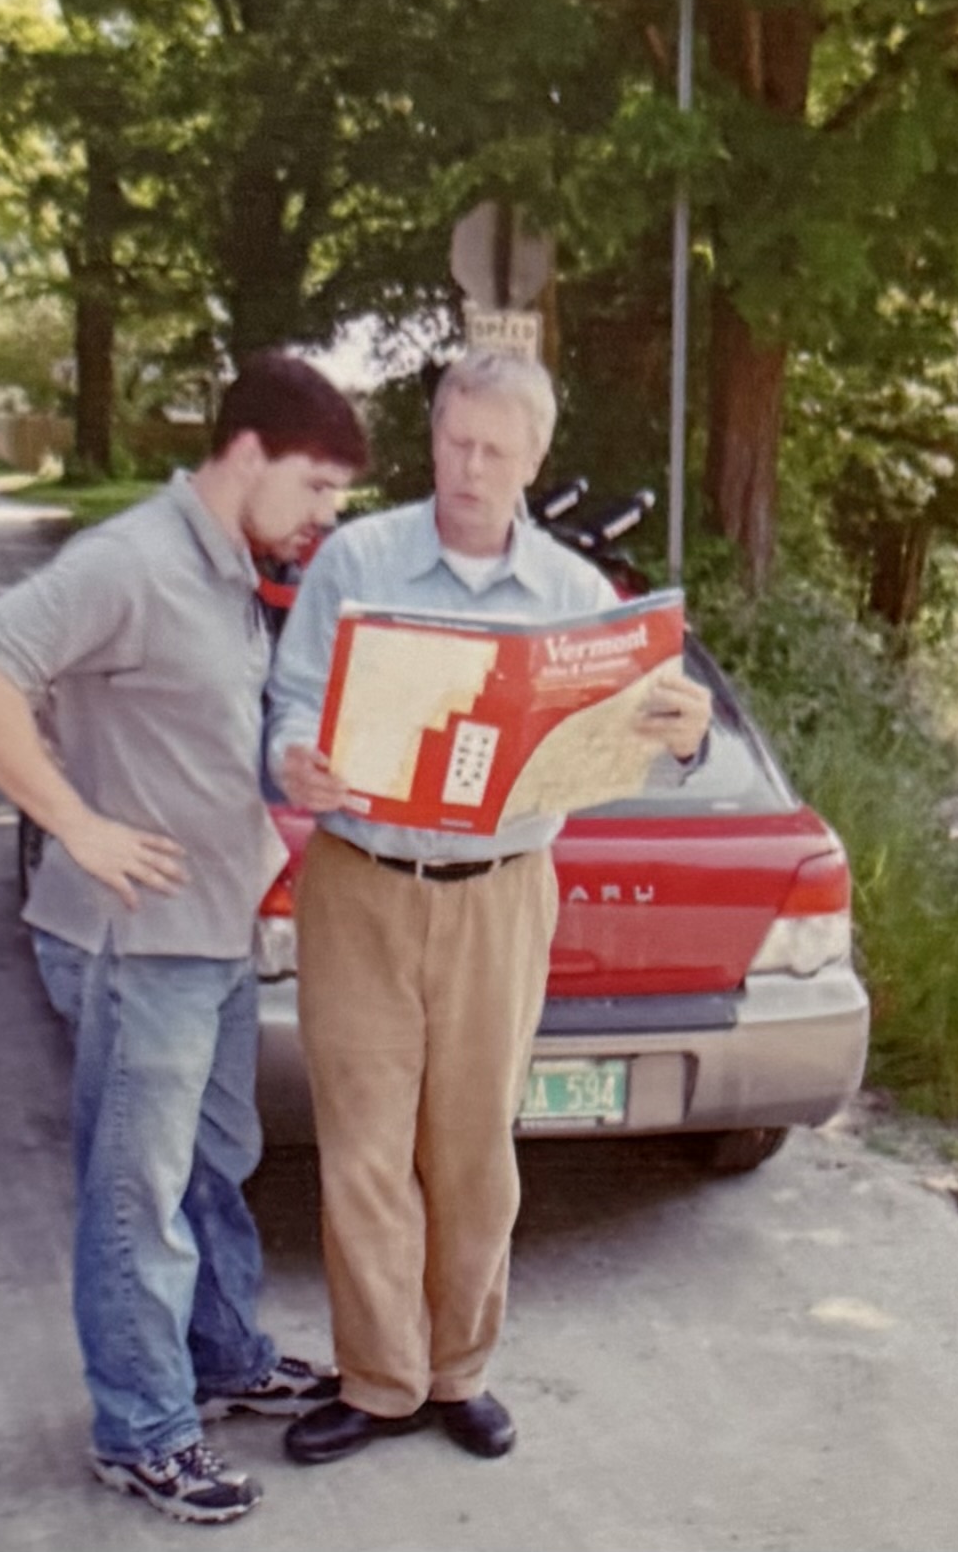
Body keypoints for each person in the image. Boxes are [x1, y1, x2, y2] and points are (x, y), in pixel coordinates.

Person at [0, 351, 365, 1526]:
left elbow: (209, 724)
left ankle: (220, 1359)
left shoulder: (225, 566)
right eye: (317, 488)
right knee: (136, 1193)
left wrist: (292, 768)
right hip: (139, 942)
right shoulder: (128, 561)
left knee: (212, 1166)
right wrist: (76, 826)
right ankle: (142, 1429)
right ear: (249, 453)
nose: (325, 518)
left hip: (213, 931)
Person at [263, 350, 713, 1465]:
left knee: (473, 1148)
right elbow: (286, 704)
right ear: (434, 437)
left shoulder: (572, 595)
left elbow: (630, 751)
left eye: (493, 451)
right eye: (453, 441)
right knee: (363, 1147)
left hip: (502, 896)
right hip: (360, 884)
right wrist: (294, 762)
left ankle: (458, 1371)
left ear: (533, 459)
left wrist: (684, 735)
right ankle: (377, 1380)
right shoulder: (356, 560)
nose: (466, 467)